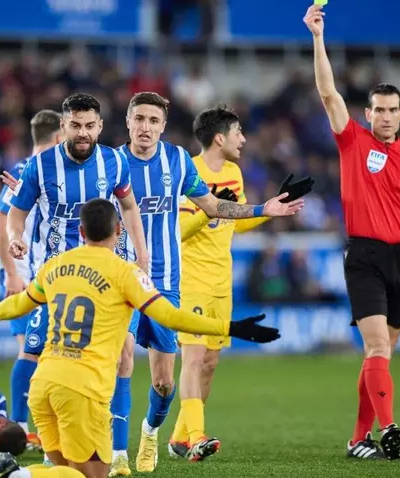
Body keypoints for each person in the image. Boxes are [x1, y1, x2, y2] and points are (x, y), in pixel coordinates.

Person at [0, 198, 281, 478]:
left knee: (64, 471)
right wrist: (228, 327)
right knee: (91, 476)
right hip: (81, 390)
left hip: (43, 385)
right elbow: (170, 316)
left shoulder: (55, 265)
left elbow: (20, 304)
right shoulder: (125, 273)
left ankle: (16, 473)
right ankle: (12, 475)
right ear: (119, 230)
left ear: (81, 232)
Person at [109, 92, 306, 475]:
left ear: (163, 126)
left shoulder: (177, 161)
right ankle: (119, 455)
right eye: (139, 119)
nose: (146, 127)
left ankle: (152, 432)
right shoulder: (111, 163)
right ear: (128, 122)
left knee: (164, 382)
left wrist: (264, 209)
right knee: (122, 360)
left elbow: (213, 207)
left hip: (166, 283)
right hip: (122, 279)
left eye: (153, 120)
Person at [303, 3, 400, 461]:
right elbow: (328, 93)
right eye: (378, 110)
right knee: (378, 345)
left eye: (392, 110)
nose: (385, 116)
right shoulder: (353, 141)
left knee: (379, 356)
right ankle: (389, 428)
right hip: (364, 256)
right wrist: (317, 37)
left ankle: (358, 439)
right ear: (367, 114)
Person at [168, 105, 314, 461]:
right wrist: (210, 210)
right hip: (192, 279)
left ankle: (179, 438)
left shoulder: (233, 172)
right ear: (220, 138)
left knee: (210, 363)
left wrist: (269, 208)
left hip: (222, 281)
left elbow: (237, 222)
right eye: (238, 133)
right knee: (193, 358)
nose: (244, 139)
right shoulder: (188, 171)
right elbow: (178, 232)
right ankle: (197, 436)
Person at [4, 93, 150, 399]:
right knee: (34, 352)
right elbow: (15, 216)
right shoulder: (39, 167)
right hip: (56, 274)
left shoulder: (115, 161)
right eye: (75, 125)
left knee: (123, 353)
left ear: (99, 126)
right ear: (63, 126)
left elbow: (129, 207)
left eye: (89, 126)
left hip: (106, 273)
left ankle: (114, 430)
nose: (83, 133)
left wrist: (142, 253)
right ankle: (22, 422)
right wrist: (15, 238)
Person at [0, 109, 62, 447]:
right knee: (29, 350)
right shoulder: (25, 171)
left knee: (41, 352)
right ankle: (18, 427)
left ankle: (32, 426)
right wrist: (11, 274)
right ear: (59, 136)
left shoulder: (45, 171)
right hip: (24, 276)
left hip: (40, 276)